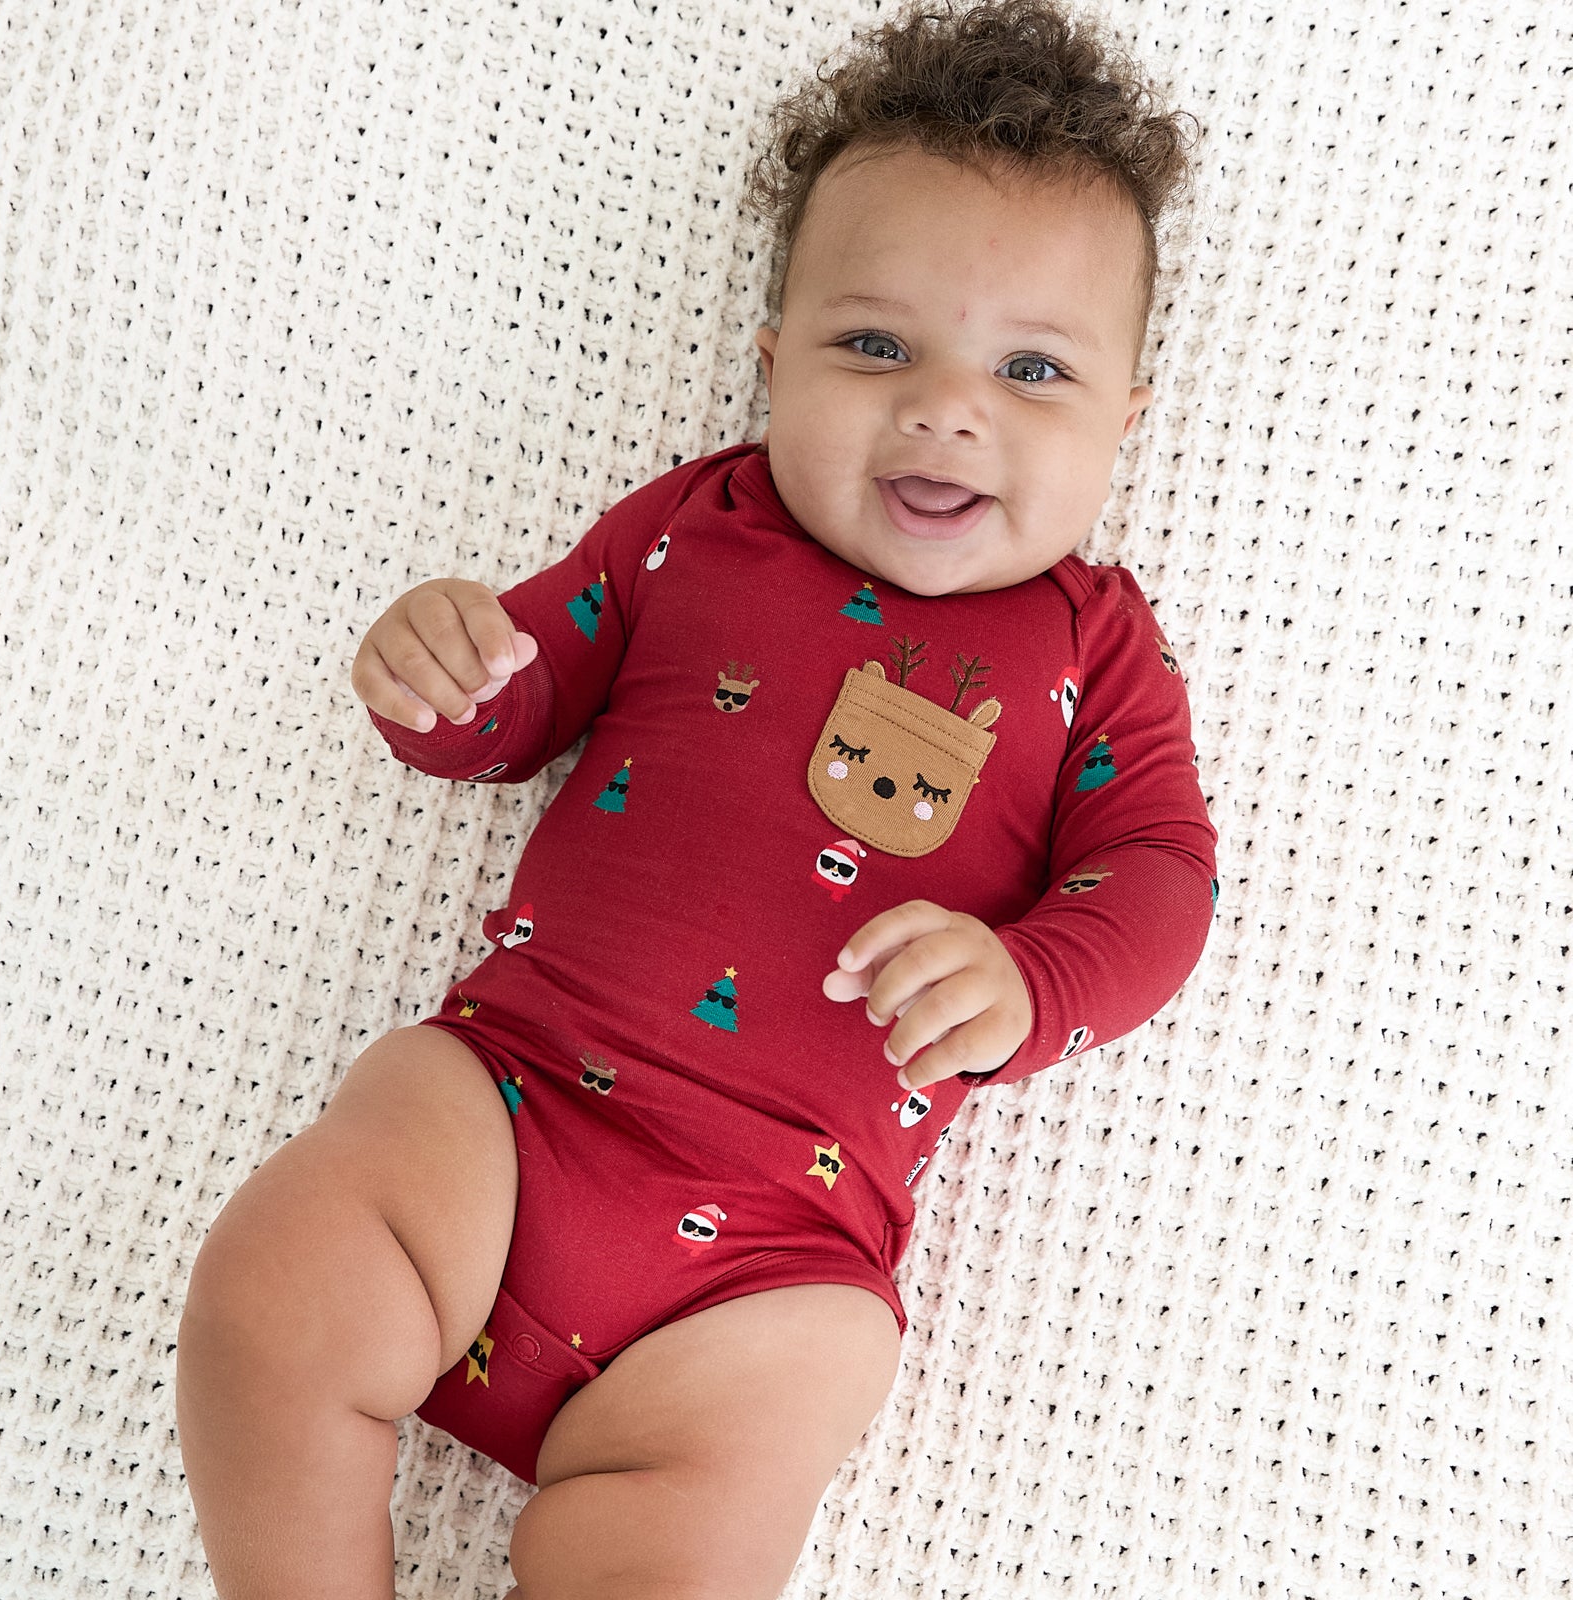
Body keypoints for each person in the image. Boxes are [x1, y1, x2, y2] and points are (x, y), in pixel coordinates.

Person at [175, 2, 1216, 1595]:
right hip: (513, 1111)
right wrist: (444, 672)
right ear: (772, 359)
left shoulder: (1095, 645)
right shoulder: (695, 528)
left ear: (1124, 422)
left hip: (773, 1271)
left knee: (728, 1486)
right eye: (876, 345)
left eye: (1034, 368)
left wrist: (1033, 976)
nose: (950, 407)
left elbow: (1157, 872)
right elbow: (519, 702)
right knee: (275, 1287)